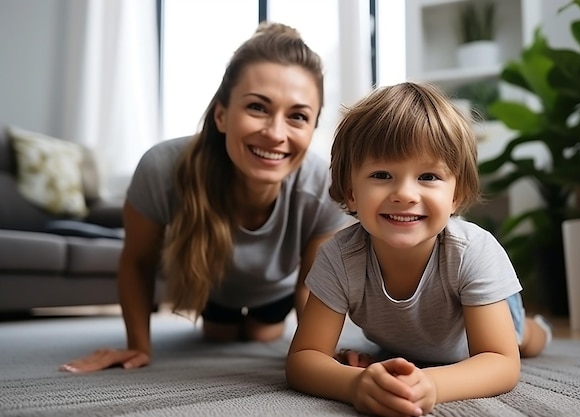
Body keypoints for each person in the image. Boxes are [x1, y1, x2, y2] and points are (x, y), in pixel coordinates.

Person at [60, 22, 349, 373]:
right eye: (258, 107)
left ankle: (260, 320)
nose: (275, 133)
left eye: (298, 116)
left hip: (277, 295)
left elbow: (309, 285)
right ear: (222, 115)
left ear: (313, 126)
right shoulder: (161, 168)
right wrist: (138, 345)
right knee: (219, 335)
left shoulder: (321, 186)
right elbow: (137, 263)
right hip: (213, 294)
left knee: (263, 334)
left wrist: (317, 355)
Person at [285, 82, 552, 417]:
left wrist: (432, 384)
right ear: (351, 191)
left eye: (428, 176)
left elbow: (501, 363)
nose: (405, 194)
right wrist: (354, 384)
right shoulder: (339, 257)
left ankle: (535, 325)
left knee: (523, 340)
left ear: (455, 195)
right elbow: (303, 358)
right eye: (382, 174)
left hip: (484, 319)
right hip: (408, 337)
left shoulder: (473, 251)